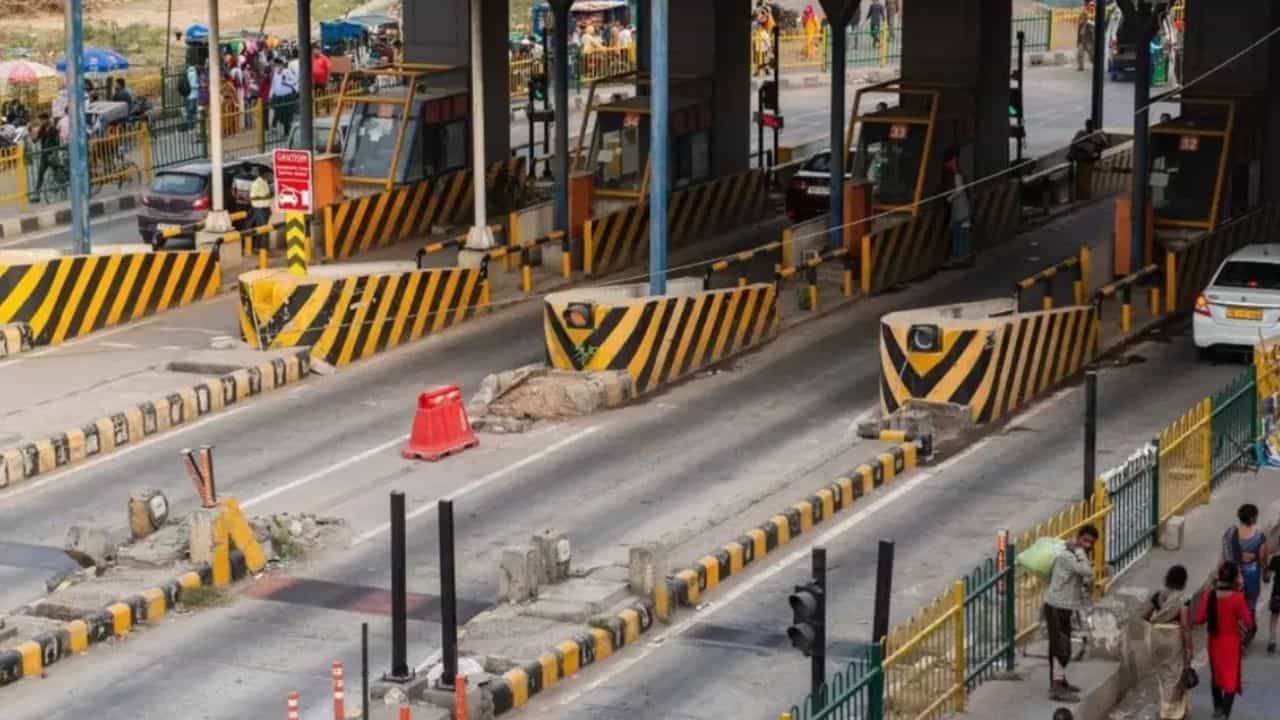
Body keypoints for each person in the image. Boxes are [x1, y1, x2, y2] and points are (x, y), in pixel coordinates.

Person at [1044, 525, 1098, 702]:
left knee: (1057, 646)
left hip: (1063, 607)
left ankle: (1059, 682)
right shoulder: (1068, 555)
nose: (1088, 545)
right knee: (1062, 649)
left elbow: (1086, 578)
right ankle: (1057, 688)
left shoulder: (1074, 556)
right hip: (1056, 606)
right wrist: (1080, 551)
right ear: (1078, 538)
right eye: (1085, 541)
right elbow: (1087, 571)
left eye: (1091, 542)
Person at [1195, 562, 1254, 719]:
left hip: (1213, 642)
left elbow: (1199, 619)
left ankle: (1217, 708)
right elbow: (1249, 623)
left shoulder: (1209, 595)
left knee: (1216, 676)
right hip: (1231, 644)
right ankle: (1225, 714)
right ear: (1235, 578)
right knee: (1230, 680)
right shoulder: (1237, 598)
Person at [1144, 565, 1193, 720]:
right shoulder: (1183, 599)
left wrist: (1158, 619)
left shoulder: (1158, 595)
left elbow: (1144, 615)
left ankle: (1170, 708)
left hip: (1156, 637)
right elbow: (1185, 625)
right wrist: (1189, 647)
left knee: (1163, 674)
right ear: (1184, 581)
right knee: (1175, 675)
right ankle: (1169, 712)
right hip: (1173, 638)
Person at [1222, 503, 1268, 641]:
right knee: (1251, 602)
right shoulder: (1259, 536)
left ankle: (1237, 630)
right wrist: (1265, 570)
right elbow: (1262, 557)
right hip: (1252, 573)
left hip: (1235, 573)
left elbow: (1225, 555)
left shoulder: (1232, 534)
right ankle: (1249, 628)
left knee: (1235, 600)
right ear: (1253, 517)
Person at [943, 150, 974, 266]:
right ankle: (964, 256)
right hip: (964, 211)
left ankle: (959, 257)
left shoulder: (957, 175)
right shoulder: (960, 175)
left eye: (948, 163)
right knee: (963, 233)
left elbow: (959, 191)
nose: (946, 166)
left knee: (959, 234)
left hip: (960, 212)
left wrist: (948, 198)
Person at [1068, 119, 1107, 201]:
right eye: (1087, 125)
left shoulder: (1097, 134)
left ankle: (1084, 196)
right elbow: (1074, 143)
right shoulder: (1081, 133)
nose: (1088, 127)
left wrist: (1092, 145)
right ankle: (1081, 196)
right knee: (1081, 177)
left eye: (1090, 125)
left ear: (1093, 126)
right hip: (1082, 157)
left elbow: (1103, 145)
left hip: (1089, 157)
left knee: (1085, 178)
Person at [28, 113, 61, 202]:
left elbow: (57, 143)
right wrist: (30, 132)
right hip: (44, 156)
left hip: (51, 155)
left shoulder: (54, 129)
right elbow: (35, 140)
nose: (41, 121)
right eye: (40, 120)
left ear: (47, 119)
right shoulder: (42, 129)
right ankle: (37, 195)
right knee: (40, 175)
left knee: (57, 173)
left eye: (43, 120)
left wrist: (55, 153)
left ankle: (61, 187)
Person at [269, 56, 299, 137]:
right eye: (275, 65)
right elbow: (273, 85)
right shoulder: (275, 74)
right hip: (278, 97)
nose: (277, 67)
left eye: (278, 65)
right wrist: (271, 94)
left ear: (282, 65)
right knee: (277, 112)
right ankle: (274, 127)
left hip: (286, 96)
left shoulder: (287, 72)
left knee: (287, 115)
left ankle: (287, 131)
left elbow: (294, 81)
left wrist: (286, 82)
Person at [1267, 550, 1280, 654]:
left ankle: (1272, 640)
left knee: (1274, 616)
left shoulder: (1276, 558)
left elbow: (1267, 577)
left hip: (1277, 591)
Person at [183, 63, 199, 131]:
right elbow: (193, 85)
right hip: (194, 95)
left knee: (189, 113)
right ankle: (193, 127)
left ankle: (190, 127)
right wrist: (199, 85)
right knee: (194, 112)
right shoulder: (194, 73)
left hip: (187, 96)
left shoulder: (187, 73)